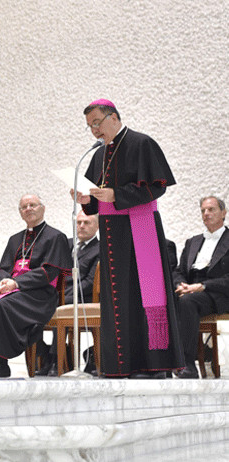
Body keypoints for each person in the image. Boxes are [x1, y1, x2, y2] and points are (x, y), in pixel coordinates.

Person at [74, 99, 183, 378]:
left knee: (144, 295)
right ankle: (123, 365)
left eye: (97, 123)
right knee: (118, 299)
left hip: (140, 229)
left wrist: (117, 195)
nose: (94, 131)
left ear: (113, 117)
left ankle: (155, 365)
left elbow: (158, 186)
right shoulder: (99, 154)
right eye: (89, 127)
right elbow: (97, 200)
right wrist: (86, 199)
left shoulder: (141, 143)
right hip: (112, 236)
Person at [0, 194, 70, 378]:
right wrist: (4, 281)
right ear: (20, 213)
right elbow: (3, 268)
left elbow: (49, 272)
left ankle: (2, 363)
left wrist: (17, 283)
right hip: (13, 291)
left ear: (43, 208)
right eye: (24, 207)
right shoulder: (15, 239)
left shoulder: (56, 237)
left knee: (1, 306)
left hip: (39, 293)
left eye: (33, 205)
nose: (28, 209)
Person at [172, 196, 229, 379]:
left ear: (224, 213)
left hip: (217, 294)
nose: (206, 213)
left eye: (211, 209)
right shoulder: (193, 241)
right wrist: (180, 285)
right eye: (203, 210)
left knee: (188, 301)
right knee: (160, 299)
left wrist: (203, 286)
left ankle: (187, 364)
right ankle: (159, 362)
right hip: (190, 289)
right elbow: (179, 270)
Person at [37, 210, 100, 376]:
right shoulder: (65, 244)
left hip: (82, 296)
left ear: (97, 226)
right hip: (59, 293)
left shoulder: (100, 248)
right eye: (79, 222)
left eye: (87, 223)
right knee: (30, 303)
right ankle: (41, 353)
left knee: (60, 303)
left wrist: (61, 293)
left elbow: (89, 282)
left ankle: (55, 359)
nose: (81, 226)